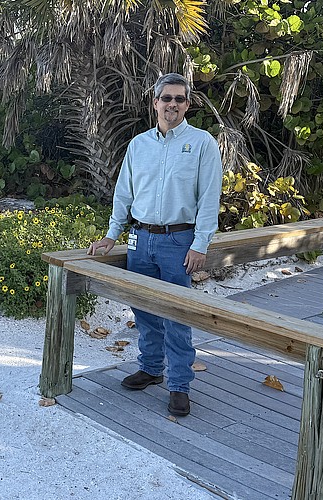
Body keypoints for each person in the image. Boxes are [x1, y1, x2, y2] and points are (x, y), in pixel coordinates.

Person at [87, 73, 222, 416]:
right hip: (140, 239)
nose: (172, 104)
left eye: (179, 99)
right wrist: (111, 234)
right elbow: (124, 193)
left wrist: (201, 243)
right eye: (166, 98)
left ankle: (179, 384)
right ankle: (151, 369)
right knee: (144, 309)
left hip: (179, 241)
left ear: (187, 104)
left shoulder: (203, 143)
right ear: (155, 103)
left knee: (177, 315)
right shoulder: (139, 145)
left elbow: (209, 198)